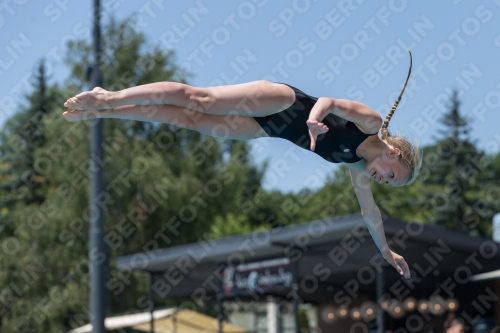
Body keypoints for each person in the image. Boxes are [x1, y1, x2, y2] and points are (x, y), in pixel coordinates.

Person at [63, 53, 420, 279]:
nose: (384, 180)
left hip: (267, 129)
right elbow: (328, 100)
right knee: (199, 98)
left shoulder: (357, 165)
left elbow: (370, 214)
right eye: (392, 176)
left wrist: (386, 251)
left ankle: (104, 110)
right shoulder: (370, 124)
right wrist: (314, 119)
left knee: (189, 120)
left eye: (389, 184)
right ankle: (111, 96)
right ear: (394, 153)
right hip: (285, 103)